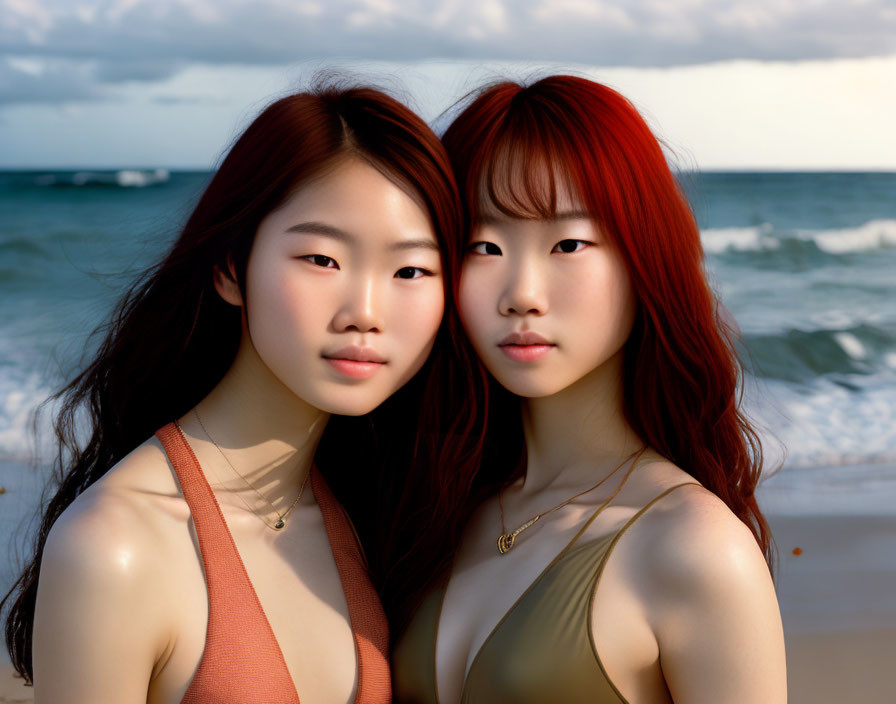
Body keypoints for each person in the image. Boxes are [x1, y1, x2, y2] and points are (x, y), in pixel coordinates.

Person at [2, 81, 463, 704]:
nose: (366, 311)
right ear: (228, 268)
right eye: (322, 259)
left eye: (411, 270)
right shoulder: (116, 547)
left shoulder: (381, 513)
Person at [391, 75, 787, 703]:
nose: (521, 292)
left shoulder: (694, 548)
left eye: (568, 243)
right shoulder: (433, 510)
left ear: (643, 257)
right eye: (484, 246)